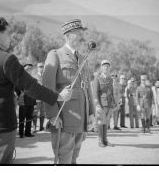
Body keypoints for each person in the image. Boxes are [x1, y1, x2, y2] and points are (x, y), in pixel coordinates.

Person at [0, 17, 72, 164]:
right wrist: (58, 97)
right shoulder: (6, 59)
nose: (10, 39)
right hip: (0, 127)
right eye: (8, 34)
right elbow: (30, 87)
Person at [42, 19, 95, 164]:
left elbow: (88, 88)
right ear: (67, 35)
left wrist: (91, 113)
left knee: (74, 158)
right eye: (78, 33)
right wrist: (53, 115)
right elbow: (47, 88)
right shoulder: (55, 55)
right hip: (64, 117)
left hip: (81, 118)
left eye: (81, 33)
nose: (81, 37)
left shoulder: (83, 58)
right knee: (64, 158)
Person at [93, 60, 115, 147]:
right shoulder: (97, 78)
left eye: (107, 66)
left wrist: (113, 103)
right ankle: (100, 141)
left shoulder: (110, 79)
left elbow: (111, 92)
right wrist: (97, 104)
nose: (106, 67)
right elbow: (95, 93)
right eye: (104, 66)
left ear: (109, 68)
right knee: (100, 122)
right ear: (101, 67)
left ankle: (105, 140)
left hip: (109, 104)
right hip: (101, 104)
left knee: (106, 122)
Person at [16, 64, 36, 138]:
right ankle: (21, 133)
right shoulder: (20, 80)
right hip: (23, 101)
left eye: (30, 69)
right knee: (22, 118)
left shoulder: (33, 79)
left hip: (31, 101)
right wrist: (19, 95)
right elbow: (16, 88)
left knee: (29, 118)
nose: (29, 70)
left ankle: (28, 132)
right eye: (27, 69)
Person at [33, 62, 46, 132]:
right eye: (40, 67)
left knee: (42, 112)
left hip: (44, 97)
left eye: (42, 66)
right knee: (35, 112)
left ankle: (41, 127)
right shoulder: (34, 76)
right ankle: (34, 128)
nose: (41, 68)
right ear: (37, 68)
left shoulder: (45, 76)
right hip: (36, 97)